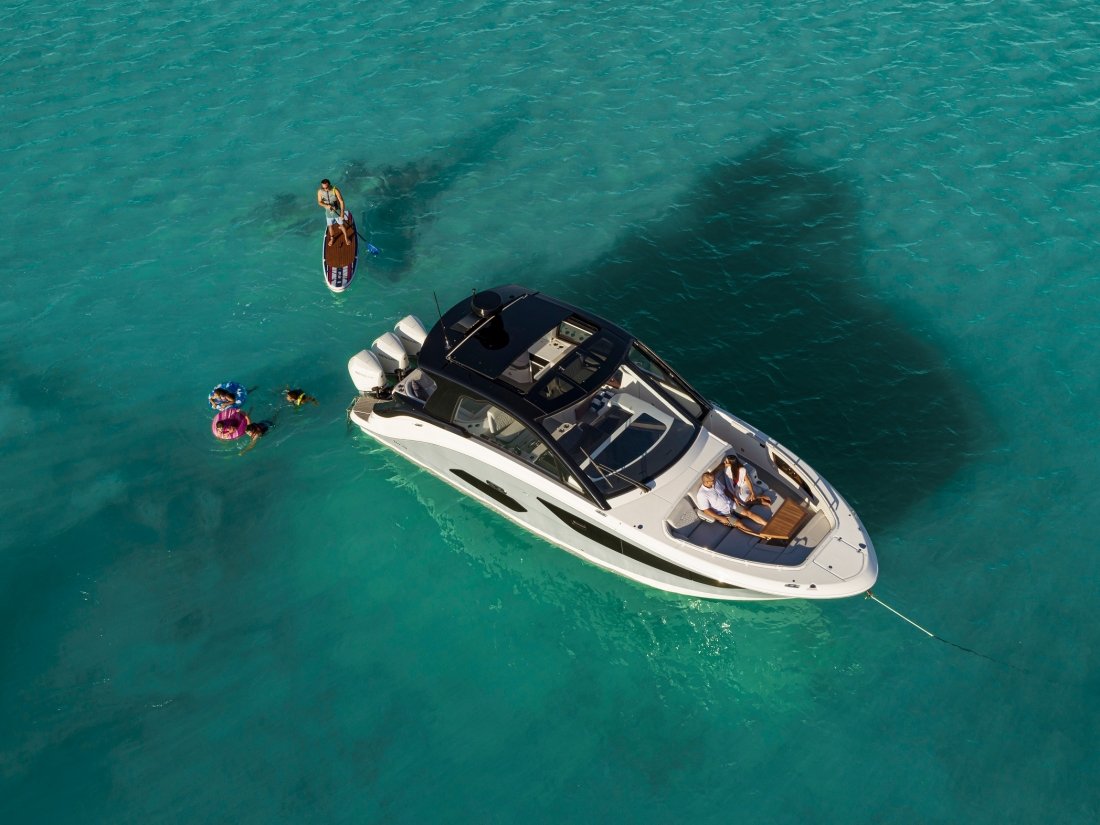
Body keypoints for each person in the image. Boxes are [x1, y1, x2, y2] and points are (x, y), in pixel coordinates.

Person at [695, 471, 768, 530]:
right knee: (739, 523)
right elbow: (706, 510)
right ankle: (758, 534)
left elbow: (725, 490)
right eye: (712, 481)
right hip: (723, 514)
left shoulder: (715, 482)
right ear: (706, 482)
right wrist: (720, 518)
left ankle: (767, 524)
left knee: (748, 513)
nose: (714, 481)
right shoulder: (702, 494)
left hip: (731, 504)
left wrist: (734, 497)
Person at [317, 179, 351, 247]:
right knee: (330, 226)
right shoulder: (320, 191)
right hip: (328, 212)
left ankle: (346, 237)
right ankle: (332, 238)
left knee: (341, 225)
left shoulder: (335, 190)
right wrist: (326, 205)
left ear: (329, 185)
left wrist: (342, 213)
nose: (325, 189)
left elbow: (341, 201)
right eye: (323, 187)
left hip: (337, 210)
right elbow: (319, 202)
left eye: (326, 187)